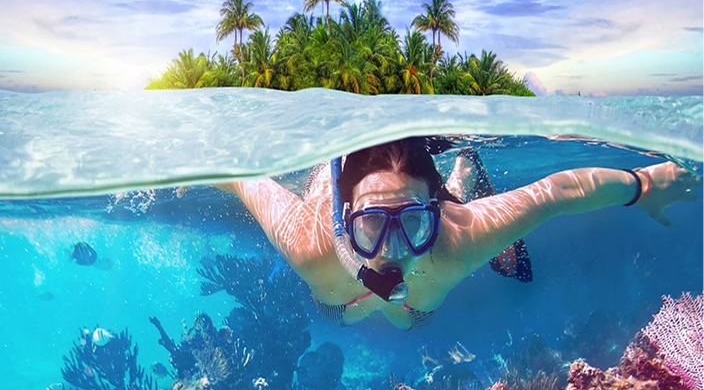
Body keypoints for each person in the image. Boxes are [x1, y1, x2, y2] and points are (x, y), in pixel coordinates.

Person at [177, 137, 700, 330]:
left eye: (414, 223)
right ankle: (450, 178)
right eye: (372, 225)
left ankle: (460, 176)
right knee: (355, 309)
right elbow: (244, 176)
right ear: (344, 223)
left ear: (435, 215)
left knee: (411, 319)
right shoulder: (309, 242)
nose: (393, 252)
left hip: (417, 305)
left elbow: (559, 192)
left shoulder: (457, 237)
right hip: (339, 296)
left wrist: (645, 183)